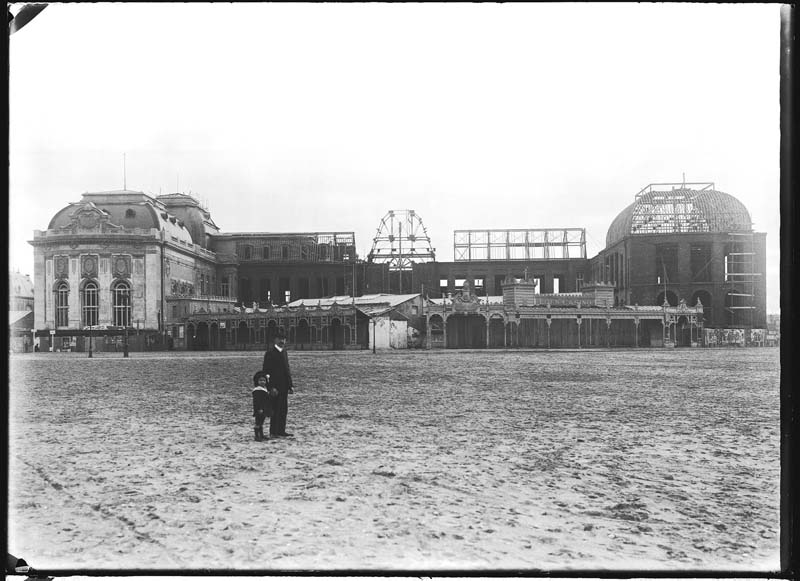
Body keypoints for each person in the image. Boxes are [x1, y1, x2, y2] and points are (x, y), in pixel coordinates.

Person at [262, 329, 294, 437]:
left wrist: (290, 385)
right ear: (275, 340)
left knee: (283, 409)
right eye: (280, 339)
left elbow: (287, 370)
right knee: (275, 409)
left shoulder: (284, 352)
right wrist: (270, 387)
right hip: (275, 387)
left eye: (284, 339)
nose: (282, 341)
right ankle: (273, 431)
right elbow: (266, 372)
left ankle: (281, 430)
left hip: (284, 386)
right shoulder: (270, 353)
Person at [251, 371, 273, 442]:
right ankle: (257, 436)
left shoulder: (264, 389)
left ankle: (261, 434)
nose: (262, 382)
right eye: (260, 380)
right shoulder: (257, 390)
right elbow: (257, 401)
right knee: (258, 422)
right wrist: (259, 408)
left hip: (264, 408)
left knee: (261, 422)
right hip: (259, 409)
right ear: (257, 381)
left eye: (264, 380)